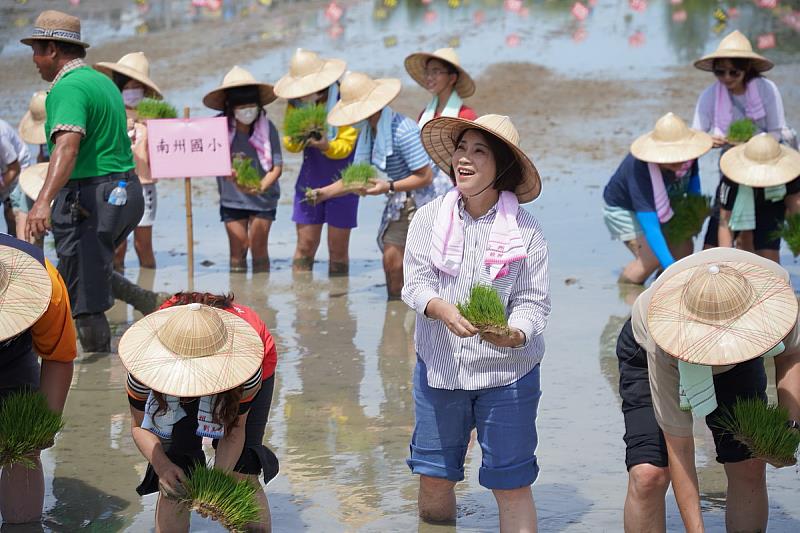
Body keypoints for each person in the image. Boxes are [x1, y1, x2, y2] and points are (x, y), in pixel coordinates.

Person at [402, 114, 550, 531]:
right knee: (434, 477)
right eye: (461, 149)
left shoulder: (527, 232)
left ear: (501, 167)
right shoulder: (429, 218)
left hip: (509, 374)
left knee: (511, 484)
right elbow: (413, 282)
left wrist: (515, 333)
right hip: (440, 369)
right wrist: (440, 308)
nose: (464, 159)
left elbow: (533, 303)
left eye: (478, 152)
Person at [617, 247, 800, 532]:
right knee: (649, 475)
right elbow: (680, 447)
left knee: (749, 464)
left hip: (742, 353)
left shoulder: (776, 292)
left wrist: (790, 428)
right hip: (650, 352)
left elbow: (790, 354)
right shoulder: (660, 337)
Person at [20, 10, 163, 353]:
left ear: (52, 49)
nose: (35, 60)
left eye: (37, 50)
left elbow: (67, 149)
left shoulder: (67, 89)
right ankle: (141, 297)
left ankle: (96, 369)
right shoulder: (101, 82)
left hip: (92, 197)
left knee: (84, 294)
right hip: (125, 193)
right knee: (85, 268)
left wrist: (42, 201)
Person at [120, 295, 279, 532]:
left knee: (241, 467)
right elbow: (139, 427)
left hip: (236, 372)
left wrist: (218, 481)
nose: (193, 383)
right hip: (171, 362)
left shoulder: (247, 368)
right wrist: (162, 466)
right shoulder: (143, 370)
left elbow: (235, 431)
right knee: (176, 471)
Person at [315, 71, 433, 299]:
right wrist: (324, 193)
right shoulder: (369, 132)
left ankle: (412, 313)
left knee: (424, 264)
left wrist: (387, 186)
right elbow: (356, 177)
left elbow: (425, 176)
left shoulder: (403, 131)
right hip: (401, 198)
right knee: (391, 259)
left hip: (427, 200)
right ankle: (394, 313)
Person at [692, 30, 795, 261]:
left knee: (766, 252)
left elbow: (777, 130)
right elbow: (697, 135)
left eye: (733, 71)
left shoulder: (767, 90)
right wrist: (709, 141)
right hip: (731, 170)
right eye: (720, 72)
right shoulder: (710, 96)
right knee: (714, 243)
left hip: (769, 169)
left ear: (747, 67)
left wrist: (753, 145)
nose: (727, 77)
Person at [0, 233, 76, 524]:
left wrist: (40, 430)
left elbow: (58, 358)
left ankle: (22, 526)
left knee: (24, 446)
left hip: (14, 355)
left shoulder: (46, 286)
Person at [274, 49, 358, 275]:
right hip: (310, 178)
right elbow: (289, 143)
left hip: (343, 182)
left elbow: (346, 145)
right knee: (305, 246)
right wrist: (302, 138)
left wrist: (326, 146)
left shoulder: (344, 98)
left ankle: (338, 305)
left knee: (338, 249)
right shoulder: (295, 104)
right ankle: (301, 301)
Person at [603, 113, 713, 284]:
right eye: (671, 157)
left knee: (684, 249)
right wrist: (671, 268)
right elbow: (650, 225)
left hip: (665, 205)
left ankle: (661, 292)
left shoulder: (690, 158)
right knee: (652, 259)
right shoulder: (639, 167)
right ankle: (626, 292)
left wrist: (692, 218)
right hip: (625, 209)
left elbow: (693, 191)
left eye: (681, 155)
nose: (678, 162)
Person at [204, 66, 282, 273]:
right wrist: (227, 172)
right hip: (232, 199)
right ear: (230, 107)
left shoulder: (268, 128)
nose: (247, 111)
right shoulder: (216, 130)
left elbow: (277, 166)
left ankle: (259, 297)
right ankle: (237, 297)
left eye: (251, 105)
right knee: (237, 251)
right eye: (241, 106)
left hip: (263, 199)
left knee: (258, 249)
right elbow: (206, 159)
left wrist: (263, 185)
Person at [95, 52, 163, 271]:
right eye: (128, 85)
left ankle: (149, 294)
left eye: (138, 86)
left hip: (144, 186)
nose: (132, 91)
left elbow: (164, 154)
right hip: (115, 185)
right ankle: (117, 295)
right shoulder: (108, 114)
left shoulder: (154, 118)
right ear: (119, 85)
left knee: (144, 245)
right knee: (117, 246)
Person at [404, 47, 478, 197]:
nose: (430, 77)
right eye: (428, 72)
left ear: (452, 78)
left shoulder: (466, 116)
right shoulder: (424, 114)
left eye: (436, 71)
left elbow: (473, 158)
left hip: (456, 190)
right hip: (424, 189)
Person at [716, 133, 800, 259]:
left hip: (772, 203)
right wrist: (725, 261)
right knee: (736, 249)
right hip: (739, 205)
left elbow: (796, 209)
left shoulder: (791, 176)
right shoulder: (731, 180)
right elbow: (724, 223)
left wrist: (796, 238)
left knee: (769, 260)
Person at [14, 90, 48, 243]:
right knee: (24, 215)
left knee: (26, 216)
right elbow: (42, 158)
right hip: (43, 176)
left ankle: (27, 254)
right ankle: (27, 254)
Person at [0, 119, 32, 237]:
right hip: (4, 170)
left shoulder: (1, 134)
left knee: (15, 217)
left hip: (19, 171)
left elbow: (14, 169)